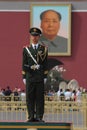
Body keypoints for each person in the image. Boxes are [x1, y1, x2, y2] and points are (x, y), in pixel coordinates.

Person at [22, 27, 48, 122]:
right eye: (33, 35)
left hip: (40, 77)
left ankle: (39, 117)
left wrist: (45, 76)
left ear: (39, 37)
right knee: (30, 98)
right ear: (30, 36)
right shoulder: (26, 49)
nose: (34, 37)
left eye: (36, 36)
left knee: (40, 98)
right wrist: (24, 76)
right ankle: (31, 116)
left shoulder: (44, 49)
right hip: (30, 77)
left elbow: (45, 64)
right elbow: (24, 64)